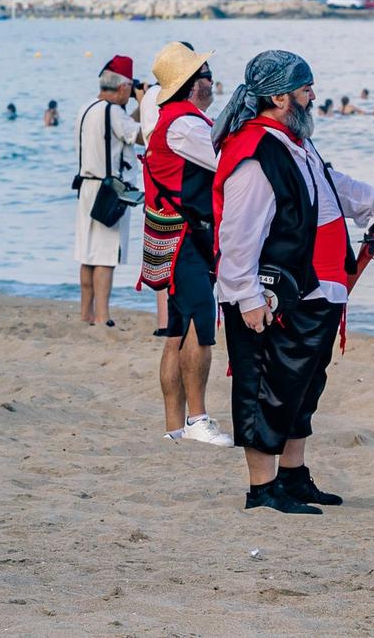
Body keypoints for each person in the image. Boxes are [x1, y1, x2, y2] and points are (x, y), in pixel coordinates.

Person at [212, 50, 374, 514]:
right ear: (279, 96)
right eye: (305, 88)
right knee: (267, 386)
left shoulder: (292, 140)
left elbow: (327, 183)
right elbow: (237, 234)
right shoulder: (255, 152)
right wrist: (246, 297)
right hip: (274, 294)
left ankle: (294, 477)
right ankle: (263, 488)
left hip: (315, 285)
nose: (313, 95)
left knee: (301, 385)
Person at [142, 43, 232, 447]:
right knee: (200, 326)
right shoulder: (185, 124)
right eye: (207, 74)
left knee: (175, 330)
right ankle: (197, 419)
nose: (212, 80)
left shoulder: (175, 119)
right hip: (186, 238)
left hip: (172, 235)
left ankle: (174, 425)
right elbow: (226, 160)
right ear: (194, 85)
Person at [74, 56, 140, 329]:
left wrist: (133, 107)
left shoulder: (87, 108)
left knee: (87, 254)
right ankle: (102, 316)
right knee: (104, 256)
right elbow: (142, 136)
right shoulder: (113, 112)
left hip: (87, 187)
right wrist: (146, 102)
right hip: (108, 189)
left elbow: (125, 128)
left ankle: (86, 313)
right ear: (123, 87)